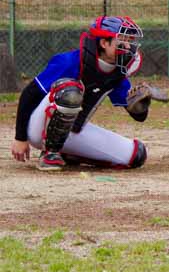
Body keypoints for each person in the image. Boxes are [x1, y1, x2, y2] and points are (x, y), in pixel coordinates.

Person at [10, 16, 152, 170]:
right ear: (104, 43)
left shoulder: (117, 72)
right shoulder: (70, 62)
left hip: (73, 129)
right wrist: (20, 138)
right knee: (71, 90)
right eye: (123, 40)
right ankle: (50, 154)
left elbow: (138, 116)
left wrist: (140, 106)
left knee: (136, 154)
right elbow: (29, 95)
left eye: (130, 41)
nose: (128, 46)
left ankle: (69, 154)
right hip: (39, 127)